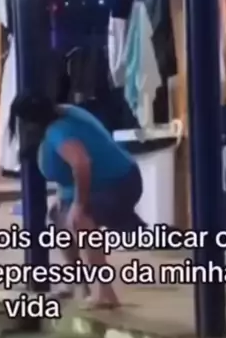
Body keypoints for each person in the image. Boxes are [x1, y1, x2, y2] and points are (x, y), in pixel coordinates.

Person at [9, 93, 146, 309]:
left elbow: (82, 163)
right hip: (105, 179)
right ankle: (77, 281)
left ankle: (105, 292)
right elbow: (70, 170)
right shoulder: (64, 111)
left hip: (118, 182)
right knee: (58, 216)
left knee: (81, 221)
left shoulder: (59, 131)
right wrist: (65, 199)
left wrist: (79, 205)